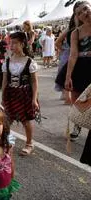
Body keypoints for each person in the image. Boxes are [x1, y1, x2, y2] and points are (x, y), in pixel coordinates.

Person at [2, 32, 39, 156]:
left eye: (15, 43)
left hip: (25, 94)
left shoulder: (29, 61)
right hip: (11, 93)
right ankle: (8, 141)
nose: (11, 45)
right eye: (10, 43)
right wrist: (3, 97)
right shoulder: (7, 61)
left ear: (22, 44)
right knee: (7, 119)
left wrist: (34, 99)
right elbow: (5, 80)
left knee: (26, 120)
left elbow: (34, 82)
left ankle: (29, 143)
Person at [64, 1, 91, 153]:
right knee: (78, 99)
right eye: (79, 12)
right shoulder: (76, 32)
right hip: (82, 68)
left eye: (86, 9)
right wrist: (68, 76)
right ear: (77, 17)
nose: (84, 13)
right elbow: (73, 55)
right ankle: (78, 124)